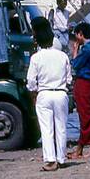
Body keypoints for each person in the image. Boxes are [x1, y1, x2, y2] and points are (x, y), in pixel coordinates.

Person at [26, 25, 72, 171]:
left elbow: (31, 82)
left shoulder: (36, 58)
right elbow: (69, 79)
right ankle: (62, 158)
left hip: (44, 93)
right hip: (60, 92)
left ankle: (50, 160)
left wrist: (33, 92)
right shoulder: (63, 56)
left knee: (46, 129)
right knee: (61, 127)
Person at [70, 22, 90, 158]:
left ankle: (82, 147)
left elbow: (75, 64)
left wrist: (75, 51)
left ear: (80, 34)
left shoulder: (86, 49)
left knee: (85, 114)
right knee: (88, 112)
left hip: (83, 82)